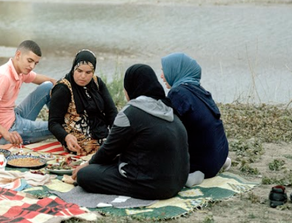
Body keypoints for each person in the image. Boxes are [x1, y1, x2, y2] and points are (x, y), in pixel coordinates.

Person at [73, 64, 189, 200]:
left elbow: (108, 150)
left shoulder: (132, 112)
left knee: (85, 175)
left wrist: (86, 165)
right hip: (178, 183)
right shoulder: (168, 108)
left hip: (154, 187)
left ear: (131, 86)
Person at [161, 52, 230, 187]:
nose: (162, 76)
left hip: (203, 163)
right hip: (220, 154)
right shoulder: (197, 89)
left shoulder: (178, 93)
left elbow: (168, 127)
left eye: (164, 71)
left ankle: (191, 174)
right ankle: (215, 164)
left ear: (176, 70)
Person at [0, 40, 57, 145]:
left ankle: (60, 118)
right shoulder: (3, 77)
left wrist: (58, 83)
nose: (32, 66)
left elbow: (40, 79)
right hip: (7, 132)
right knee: (59, 127)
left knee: (48, 86)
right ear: (18, 55)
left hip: (14, 116)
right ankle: (63, 124)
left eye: (35, 63)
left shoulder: (20, 70)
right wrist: (6, 134)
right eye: (30, 61)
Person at [48, 49, 118, 155]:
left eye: (88, 72)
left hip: (103, 136)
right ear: (73, 69)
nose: (83, 76)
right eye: (79, 71)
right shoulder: (63, 88)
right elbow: (53, 123)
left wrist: (117, 134)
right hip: (77, 143)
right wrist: (66, 137)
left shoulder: (97, 83)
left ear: (93, 72)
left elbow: (111, 111)